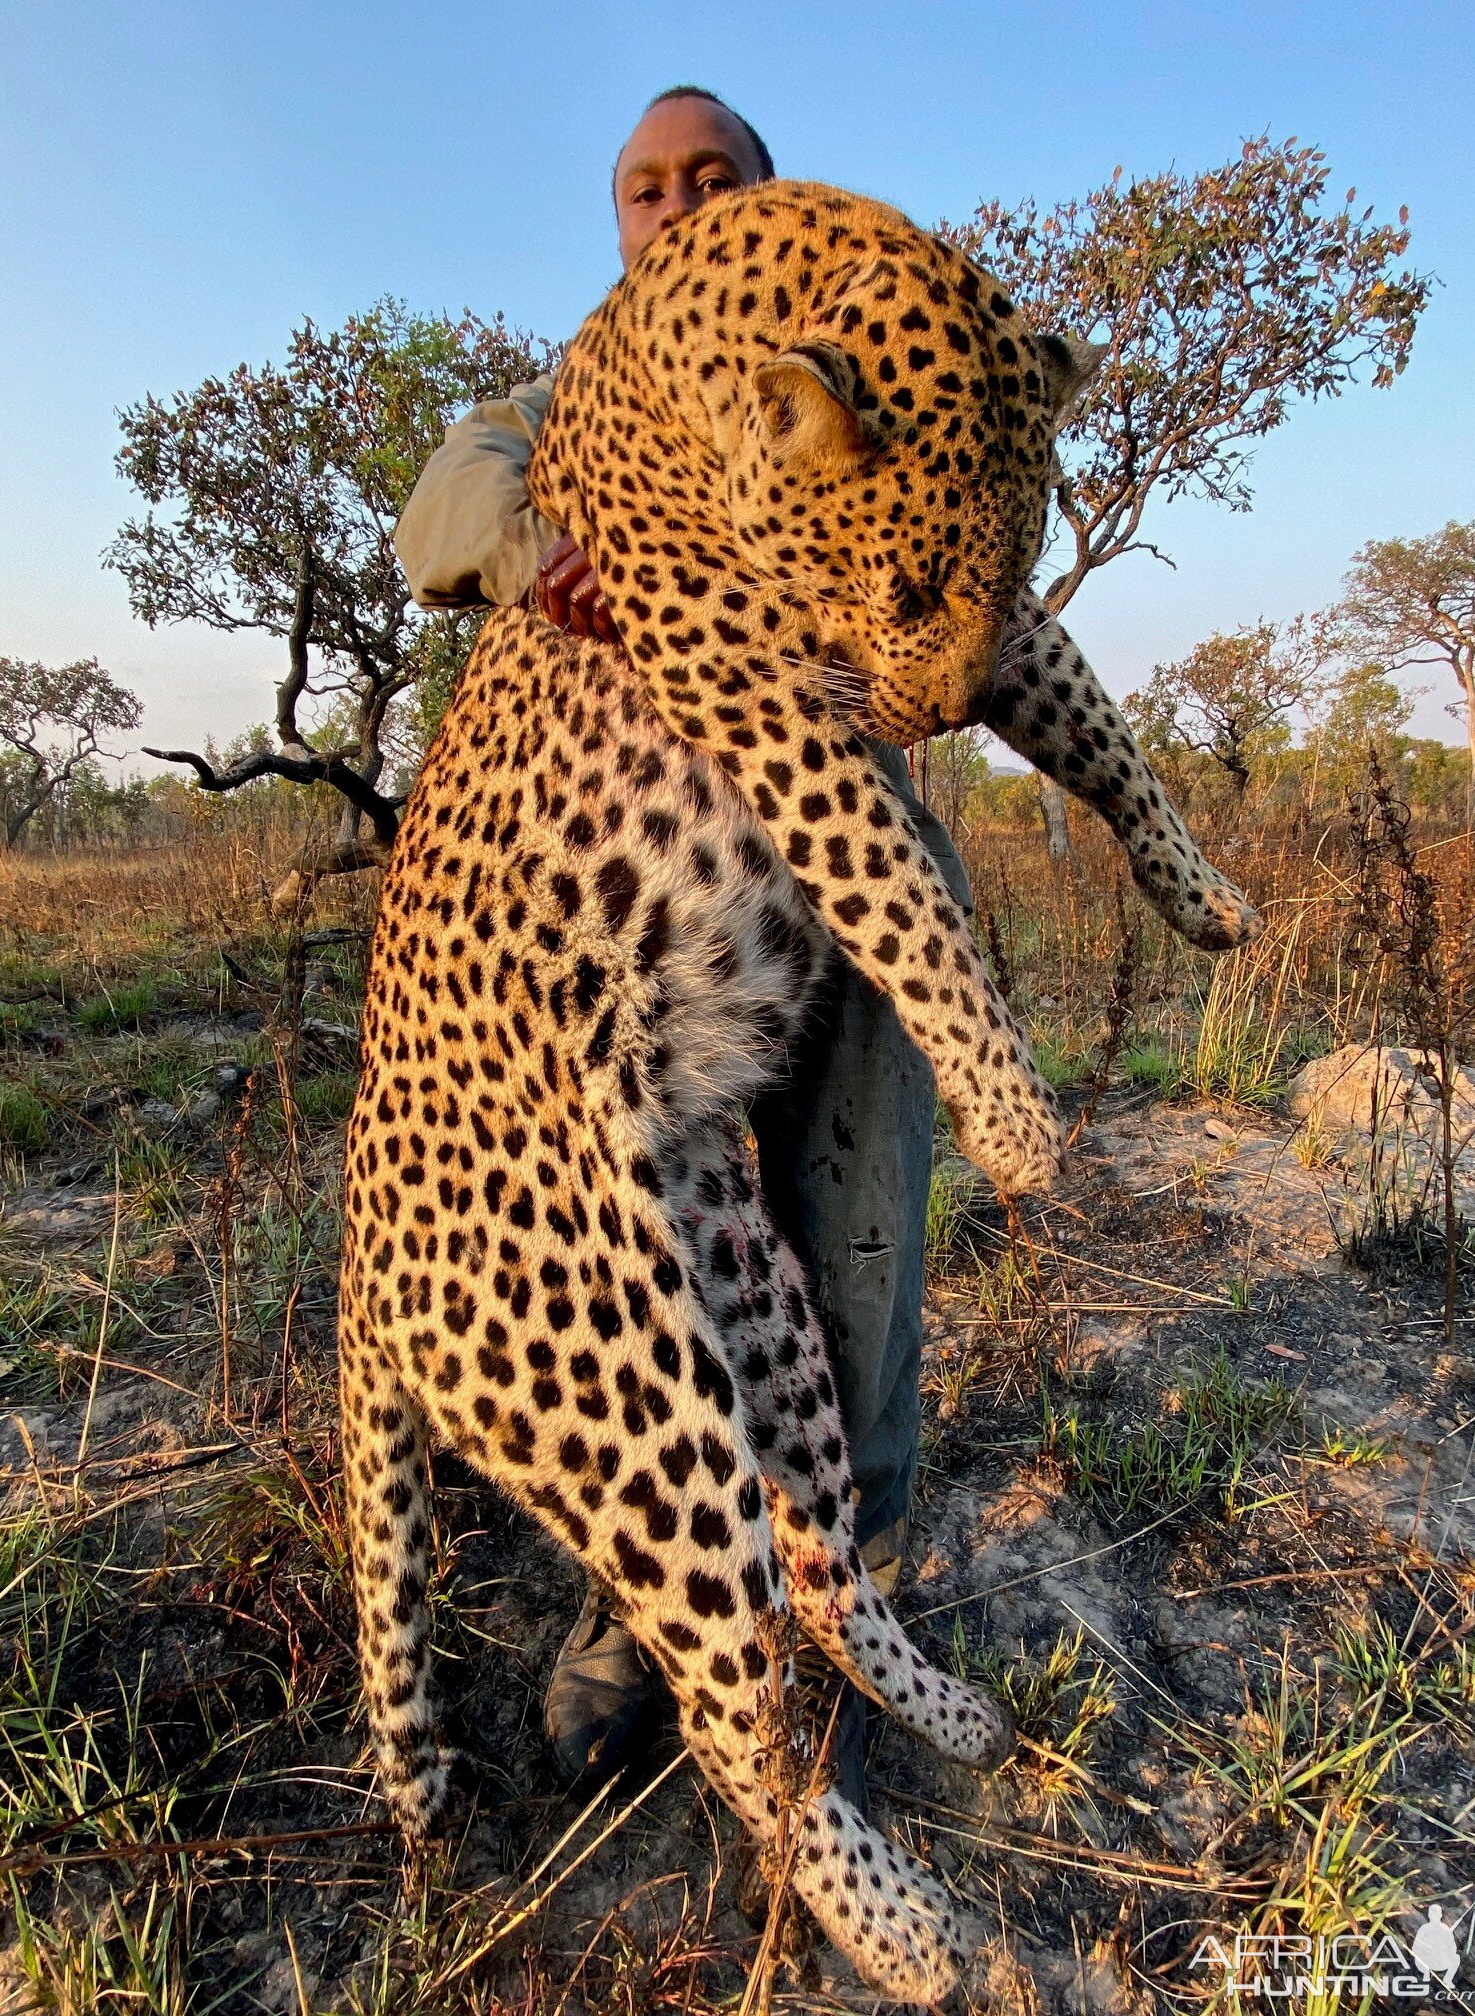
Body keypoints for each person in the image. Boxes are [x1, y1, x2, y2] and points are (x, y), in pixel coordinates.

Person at [394, 85, 973, 1809]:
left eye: (710, 176)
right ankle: (630, 1614)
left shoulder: (856, 387)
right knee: (646, 1256)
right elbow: (441, 514)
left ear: (770, 202)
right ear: (619, 220)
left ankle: (843, 1598)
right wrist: (541, 548)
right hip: (635, 909)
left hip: (837, 864)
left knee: (850, 1233)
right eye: (643, 187)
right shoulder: (563, 396)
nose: (672, 204)